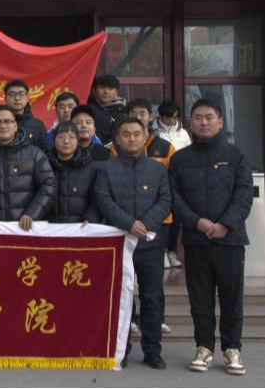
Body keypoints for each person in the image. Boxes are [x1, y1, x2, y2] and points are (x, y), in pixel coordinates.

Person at [170, 99, 253, 376]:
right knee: (200, 299)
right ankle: (203, 347)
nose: (203, 122)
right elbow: (175, 198)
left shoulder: (236, 155)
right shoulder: (180, 159)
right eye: (198, 118)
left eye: (209, 117)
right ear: (190, 122)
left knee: (231, 298)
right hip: (196, 240)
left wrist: (225, 224)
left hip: (230, 240)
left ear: (220, 121)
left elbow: (244, 195)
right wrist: (197, 222)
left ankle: (232, 349)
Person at [94, 118, 172, 370]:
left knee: (152, 298)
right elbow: (104, 200)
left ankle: (153, 350)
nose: (132, 139)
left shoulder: (158, 169)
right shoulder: (106, 169)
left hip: (150, 243)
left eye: (137, 134)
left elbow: (165, 200)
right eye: (126, 134)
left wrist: (145, 224)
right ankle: (121, 349)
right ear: (117, 139)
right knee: (120, 297)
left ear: (145, 136)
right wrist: (129, 224)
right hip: (118, 242)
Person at [116, 99, 176, 271]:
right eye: (134, 114)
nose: (138, 117)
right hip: (125, 220)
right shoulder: (115, 148)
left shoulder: (166, 147)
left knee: (153, 270)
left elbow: (170, 185)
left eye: (142, 113)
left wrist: (150, 219)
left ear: (150, 117)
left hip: (160, 218)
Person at [0, 105, 55, 230]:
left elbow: (48, 185)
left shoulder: (35, 154)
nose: (3, 126)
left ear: (15, 126)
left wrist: (32, 214)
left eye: (7, 121)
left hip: (27, 229)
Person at [156, 99, 191, 269]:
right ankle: (161, 251)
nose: (171, 121)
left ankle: (172, 251)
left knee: (176, 218)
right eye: (168, 117)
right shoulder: (155, 134)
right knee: (163, 218)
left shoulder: (183, 134)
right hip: (161, 178)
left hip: (179, 178)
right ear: (161, 116)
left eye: (175, 117)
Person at [47, 121, 99, 224]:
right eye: (61, 137)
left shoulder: (91, 168)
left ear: (78, 141)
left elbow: (97, 200)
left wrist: (90, 218)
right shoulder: (44, 165)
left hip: (80, 228)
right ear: (54, 140)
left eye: (71, 137)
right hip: (47, 228)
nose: (66, 141)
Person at [4, 79, 49, 153]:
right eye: (12, 94)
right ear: (5, 99)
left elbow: (45, 152)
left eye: (21, 94)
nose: (17, 98)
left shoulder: (38, 125)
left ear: (27, 98)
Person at [87, 74, 126, 145]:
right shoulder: (85, 108)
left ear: (116, 92)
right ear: (94, 89)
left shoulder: (122, 112)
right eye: (102, 87)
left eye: (110, 88)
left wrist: (103, 149)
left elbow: (117, 137)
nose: (106, 91)